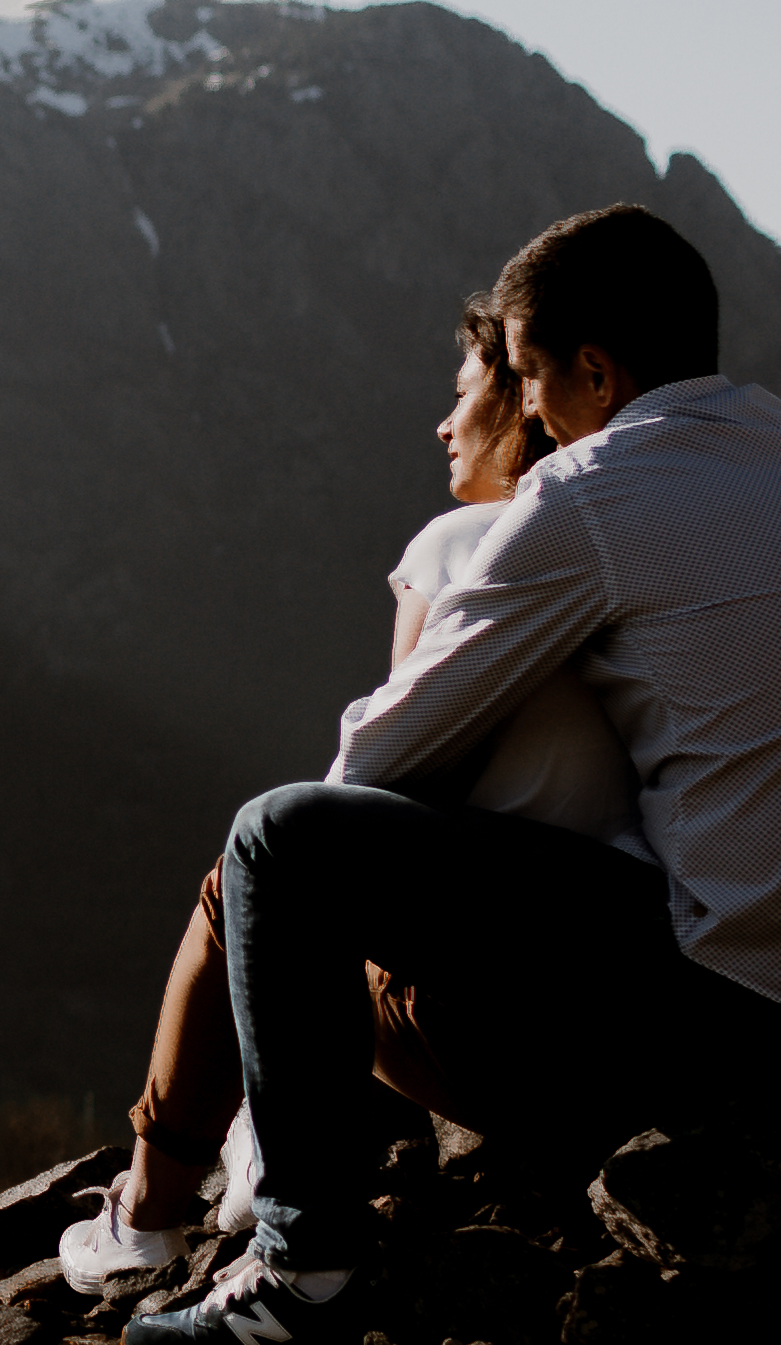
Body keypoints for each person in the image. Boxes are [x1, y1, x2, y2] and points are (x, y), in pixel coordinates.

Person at [117, 199, 781, 1345]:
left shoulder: (591, 489)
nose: (527, 410)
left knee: (279, 841)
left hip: (763, 1022)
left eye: (530, 377)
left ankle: (301, 1275)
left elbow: (383, 760)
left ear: (594, 370)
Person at [57, 295, 632, 1292]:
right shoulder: (623, 552)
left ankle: (148, 1215)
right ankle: (252, 1139)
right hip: (631, 997)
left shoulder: (462, 545)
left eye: (467, 400)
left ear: (529, 413)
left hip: (497, 1033)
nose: (445, 427)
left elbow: (380, 773)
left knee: (245, 881)